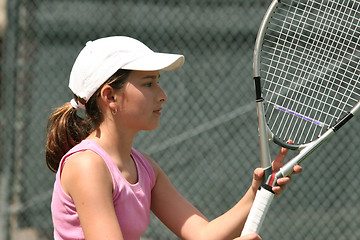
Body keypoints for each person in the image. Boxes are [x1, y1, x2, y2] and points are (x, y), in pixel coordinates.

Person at [46, 36, 302, 240]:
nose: (162, 94)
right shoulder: (86, 166)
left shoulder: (145, 168)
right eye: (148, 83)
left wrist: (258, 191)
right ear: (110, 96)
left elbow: (203, 234)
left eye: (158, 82)